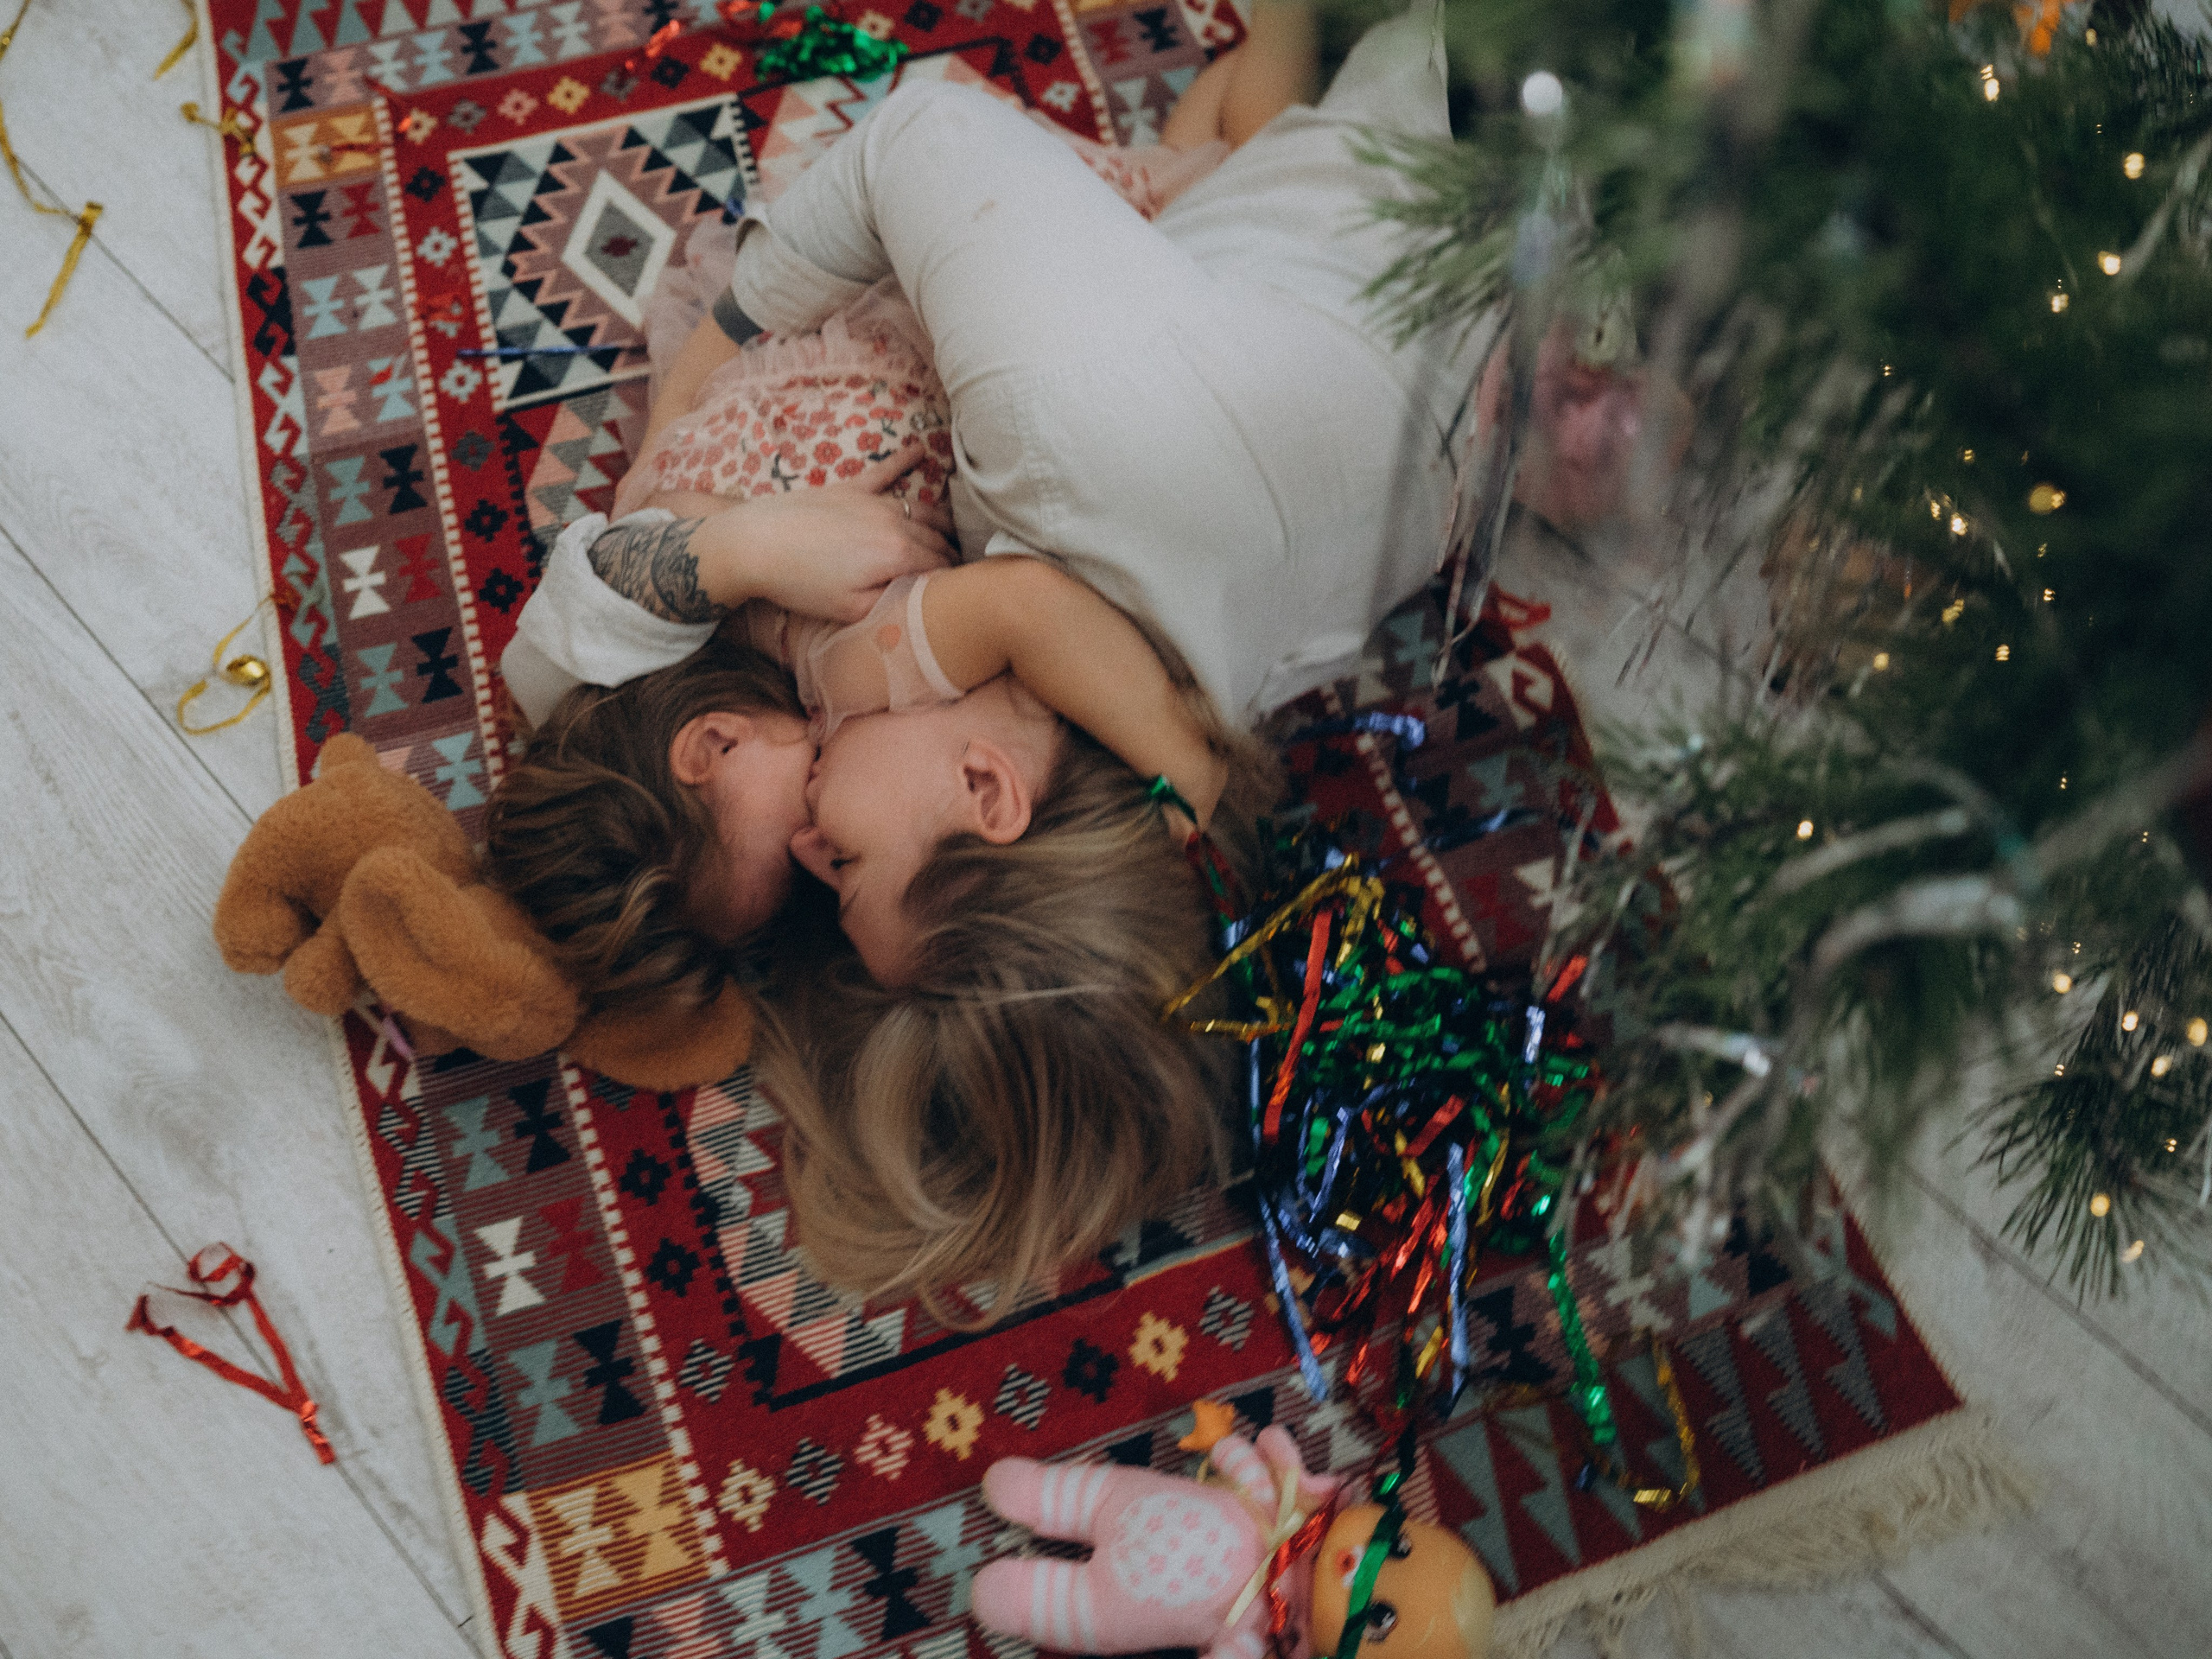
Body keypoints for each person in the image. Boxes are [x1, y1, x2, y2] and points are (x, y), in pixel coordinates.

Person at [493, 0, 1488, 1313]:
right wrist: (716, 359)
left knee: (1226, 148)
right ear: (987, 792)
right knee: (1224, 148)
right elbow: (927, 129)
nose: (807, 848)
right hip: (1456, 92)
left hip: (1418, 215)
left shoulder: (1234, 677)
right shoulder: (1055, 449)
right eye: (840, 868)